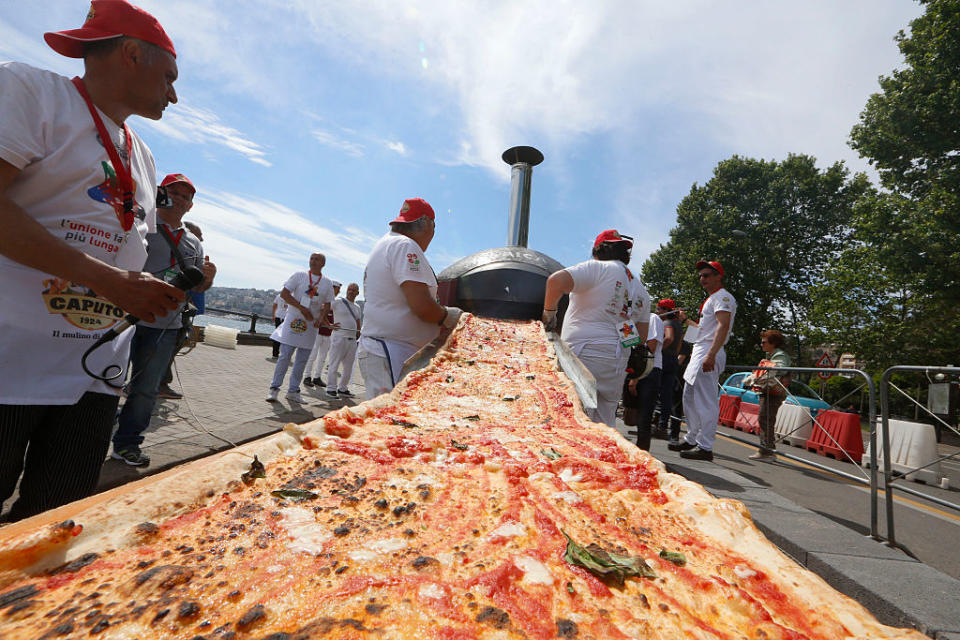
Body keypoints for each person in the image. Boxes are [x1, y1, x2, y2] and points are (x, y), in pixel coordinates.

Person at [0, 0, 185, 520]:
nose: (175, 93)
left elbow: (120, 245)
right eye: (168, 75)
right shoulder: (30, 91)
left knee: (53, 523)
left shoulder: (142, 154)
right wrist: (110, 282)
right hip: (11, 360)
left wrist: (153, 285)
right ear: (131, 53)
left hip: (93, 375)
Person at [111, 174, 216, 466]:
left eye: (186, 196)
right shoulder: (140, 224)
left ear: (191, 205)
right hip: (124, 317)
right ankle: (89, 435)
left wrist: (208, 280)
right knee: (107, 382)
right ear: (161, 193)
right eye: (174, 193)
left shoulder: (194, 242)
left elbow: (196, 287)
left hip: (165, 324)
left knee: (146, 389)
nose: (180, 199)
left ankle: (127, 443)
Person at [542, 229, 650, 428]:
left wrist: (549, 315)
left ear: (597, 250)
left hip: (584, 351)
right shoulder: (640, 289)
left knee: (573, 417)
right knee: (604, 421)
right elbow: (640, 337)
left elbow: (555, 281)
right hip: (617, 360)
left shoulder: (599, 268)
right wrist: (612, 339)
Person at [358, 198, 461, 400]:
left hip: (388, 348)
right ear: (428, 225)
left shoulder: (389, 243)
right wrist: (449, 317)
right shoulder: (405, 246)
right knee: (388, 422)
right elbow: (421, 306)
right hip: (391, 351)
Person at [668, 260, 736, 461]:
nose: (702, 279)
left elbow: (723, 327)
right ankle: (692, 438)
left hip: (708, 351)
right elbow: (702, 329)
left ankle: (705, 446)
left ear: (718, 276)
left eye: (707, 275)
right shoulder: (713, 299)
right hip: (701, 350)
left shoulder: (723, 297)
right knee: (689, 397)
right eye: (701, 276)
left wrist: (711, 354)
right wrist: (684, 321)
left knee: (706, 401)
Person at [267, 253, 335, 403]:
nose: (313, 261)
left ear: (323, 263)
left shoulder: (327, 283)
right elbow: (285, 294)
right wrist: (301, 308)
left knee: (302, 360)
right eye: (312, 258)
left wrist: (321, 319)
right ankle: (274, 389)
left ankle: (293, 390)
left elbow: (328, 304)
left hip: (311, 324)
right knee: (284, 356)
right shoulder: (299, 275)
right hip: (294, 320)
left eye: (317, 259)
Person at [157, 218, 206, 399]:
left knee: (173, 344)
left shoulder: (195, 253)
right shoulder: (178, 249)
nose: (201, 240)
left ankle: (161, 381)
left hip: (183, 309)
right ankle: (160, 382)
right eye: (199, 236)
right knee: (167, 346)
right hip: (173, 309)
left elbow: (200, 287)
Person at [742, 329, 792, 461]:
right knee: (765, 419)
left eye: (764, 342)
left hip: (773, 393)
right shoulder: (773, 355)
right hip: (769, 391)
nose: (761, 344)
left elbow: (777, 370)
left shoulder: (779, 355)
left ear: (773, 343)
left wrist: (761, 371)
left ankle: (767, 452)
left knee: (766, 420)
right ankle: (767, 450)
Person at [622, 309, 662, 450]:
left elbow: (650, 348)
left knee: (644, 414)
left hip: (649, 370)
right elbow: (628, 345)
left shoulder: (653, 318)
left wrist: (636, 377)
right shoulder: (627, 321)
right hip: (633, 369)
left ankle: (643, 451)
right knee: (632, 411)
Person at [325, 282, 362, 399]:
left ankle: (343, 388)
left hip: (352, 340)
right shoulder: (338, 302)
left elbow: (357, 322)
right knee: (334, 364)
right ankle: (331, 389)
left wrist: (358, 332)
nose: (351, 291)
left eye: (353, 290)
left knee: (349, 367)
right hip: (339, 337)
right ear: (346, 290)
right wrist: (329, 324)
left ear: (358, 293)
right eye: (349, 289)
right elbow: (323, 309)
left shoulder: (357, 307)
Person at [652, 299, 682, 439]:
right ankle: (662, 425)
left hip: (665, 359)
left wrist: (657, 350)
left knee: (658, 392)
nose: (658, 311)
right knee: (666, 394)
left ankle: (659, 425)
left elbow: (669, 338)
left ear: (666, 310)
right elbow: (679, 344)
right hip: (673, 359)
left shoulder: (667, 323)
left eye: (660, 308)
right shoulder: (678, 324)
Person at [304, 281, 341, 388]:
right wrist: (328, 324)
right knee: (313, 355)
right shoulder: (325, 300)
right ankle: (307, 376)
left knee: (322, 357)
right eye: (337, 290)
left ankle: (317, 377)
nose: (338, 292)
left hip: (328, 334)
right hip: (318, 332)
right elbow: (321, 312)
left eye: (338, 290)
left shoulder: (335, 302)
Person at [270, 291, 288, 361]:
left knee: (277, 335)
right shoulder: (292, 296)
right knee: (285, 336)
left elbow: (274, 305)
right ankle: (282, 354)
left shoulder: (279, 295)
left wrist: (273, 315)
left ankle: (275, 354)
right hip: (286, 318)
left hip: (278, 316)